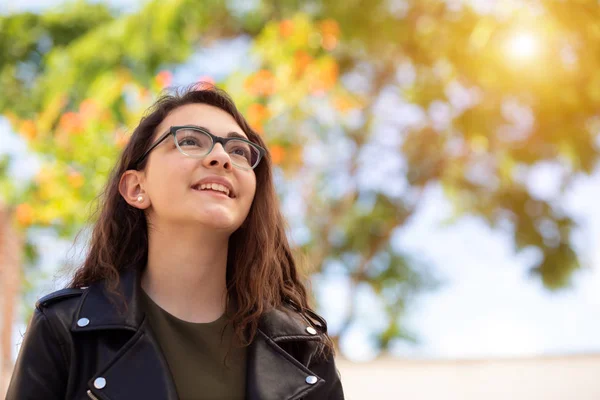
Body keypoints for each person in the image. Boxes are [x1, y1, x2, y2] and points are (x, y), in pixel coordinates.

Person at [7, 84, 345, 400]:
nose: (222, 158)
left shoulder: (305, 350)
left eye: (240, 150)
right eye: (190, 141)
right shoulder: (63, 331)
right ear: (137, 188)